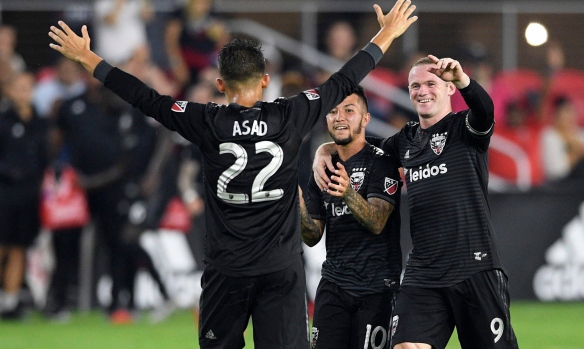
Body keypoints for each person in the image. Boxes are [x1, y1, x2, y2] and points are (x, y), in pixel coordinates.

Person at [48, 0, 417, 347]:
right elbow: (343, 78)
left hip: (227, 270)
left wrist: (87, 57)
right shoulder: (290, 115)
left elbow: (145, 97)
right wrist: (386, 34)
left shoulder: (206, 120)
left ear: (221, 84)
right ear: (265, 80)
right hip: (280, 271)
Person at [313, 55, 519, 349]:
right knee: (406, 346)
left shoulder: (465, 127)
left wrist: (464, 81)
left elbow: (485, 111)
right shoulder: (404, 141)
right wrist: (326, 147)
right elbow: (360, 149)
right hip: (424, 272)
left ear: (449, 89)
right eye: (415, 86)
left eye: (431, 83)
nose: (422, 91)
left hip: (474, 266)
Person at [299, 86, 402, 349]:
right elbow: (311, 236)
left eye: (349, 110)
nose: (340, 117)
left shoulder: (382, 162)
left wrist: (348, 193)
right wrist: (296, 203)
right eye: (333, 111)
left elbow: (377, 222)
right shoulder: (322, 169)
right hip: (334, 285)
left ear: (365, 119)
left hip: (376, 288)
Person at [0, 72, 48, 320]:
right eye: (18, 88)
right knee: (2, 247)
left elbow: (44, 158)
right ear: (9, 91)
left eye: (27, 88)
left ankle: (10, 301)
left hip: (30, 194)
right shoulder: (3, 121)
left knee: (20, 248)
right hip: (5, 193)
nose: (23, 93)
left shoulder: (39, 122)